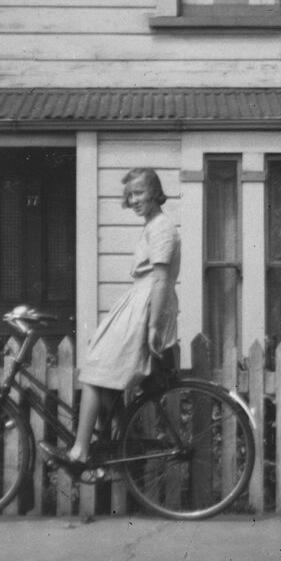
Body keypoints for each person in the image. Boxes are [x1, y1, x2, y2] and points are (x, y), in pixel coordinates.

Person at [46, 167, 180, 472]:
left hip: (147, 304)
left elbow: (160, 280)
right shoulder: (152, 226)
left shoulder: (161, 228)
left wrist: (155, 326)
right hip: (139, 300)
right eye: (129, 194)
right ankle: (123, 442)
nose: (133, 200)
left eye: (139, 193)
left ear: (155, 192)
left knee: (96, 372)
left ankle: (79, 453)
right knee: (102, 369)